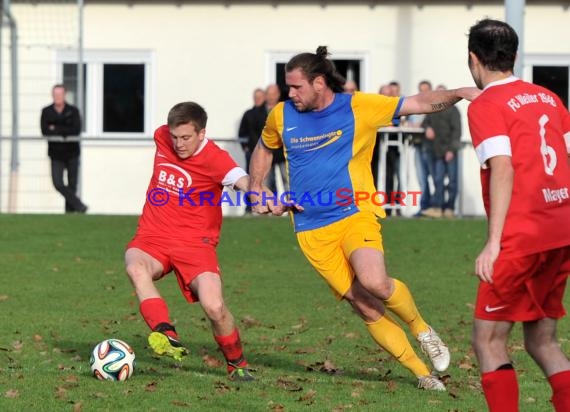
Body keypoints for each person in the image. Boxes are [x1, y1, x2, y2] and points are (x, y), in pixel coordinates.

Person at [249, 46, 479, 391]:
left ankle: (422, 330)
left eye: (297, 87)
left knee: (375, 282)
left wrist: (460, 93)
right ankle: (421, 374)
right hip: (310, 228)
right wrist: (256, 186)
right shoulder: (281, 115)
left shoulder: (358, 106)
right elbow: (265, 147)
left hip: (355, 211)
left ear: (320, 83)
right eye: (288, 87)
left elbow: (417, 103)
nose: (290, 93)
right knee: (365, 306)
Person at [467, 19, 570, 412]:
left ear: (474, 59)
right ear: (514, 56)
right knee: (542, 341)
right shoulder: (547, 97)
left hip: (522, 236)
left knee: (488, 340)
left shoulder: (487, 105)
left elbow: (503, 166)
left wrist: (494, 243)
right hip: (560, 230)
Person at [125, 102, 254, 381]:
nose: (179, 144)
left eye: (186, 137)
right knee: (136, 267)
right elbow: (167, 138)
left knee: (214, 307)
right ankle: (165, 332)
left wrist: (266, 198)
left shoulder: (216, 159)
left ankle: (237, 363)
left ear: (201, 133)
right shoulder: (162, 137)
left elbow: (243, 181)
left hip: (196, 242)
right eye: (175, 136)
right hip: (153, 235)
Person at [40, 84, 88, 213]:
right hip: (56, 154)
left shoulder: (73, 111)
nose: (57, 97)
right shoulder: (47, 111)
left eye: (60, 94)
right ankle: (79, 206)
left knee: (72, 185)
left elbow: (76, 130)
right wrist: (64, 131)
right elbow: (45, 131)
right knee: (58, 183)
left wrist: (55, 128)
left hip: (72, 152)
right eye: (55, 94)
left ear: (64, 95)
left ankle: (69, 213)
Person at [421, 85, 462, 219]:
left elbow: (457, 132)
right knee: (437, 180)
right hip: (436, 151)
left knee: (452, 181)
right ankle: (437, 208)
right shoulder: (431, 109)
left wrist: (451, 150)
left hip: (450, 151)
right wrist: (427, 128)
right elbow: (425, 123)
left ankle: (449, 208)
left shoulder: (453, 110)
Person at [407, 80, 435, 216]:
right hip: (418, 144)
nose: (423, 93)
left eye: (426, 90)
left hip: (431, 146)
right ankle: (424, 206)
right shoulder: (414, 106)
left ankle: (435, 206)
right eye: (421, 90)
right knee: (422, 178)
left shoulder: (435, 107)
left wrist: (422, 126)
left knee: (435, 177)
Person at [238, 87, 266, 174]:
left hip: (266, 152)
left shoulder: (269, 113)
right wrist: (245, 147)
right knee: (251, 175)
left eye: (259, 97)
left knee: (266, 177)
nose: (257, 99)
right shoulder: (248, 114)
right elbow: (241, 132)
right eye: (255, 97)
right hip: (251, 151)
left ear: (264, 98)